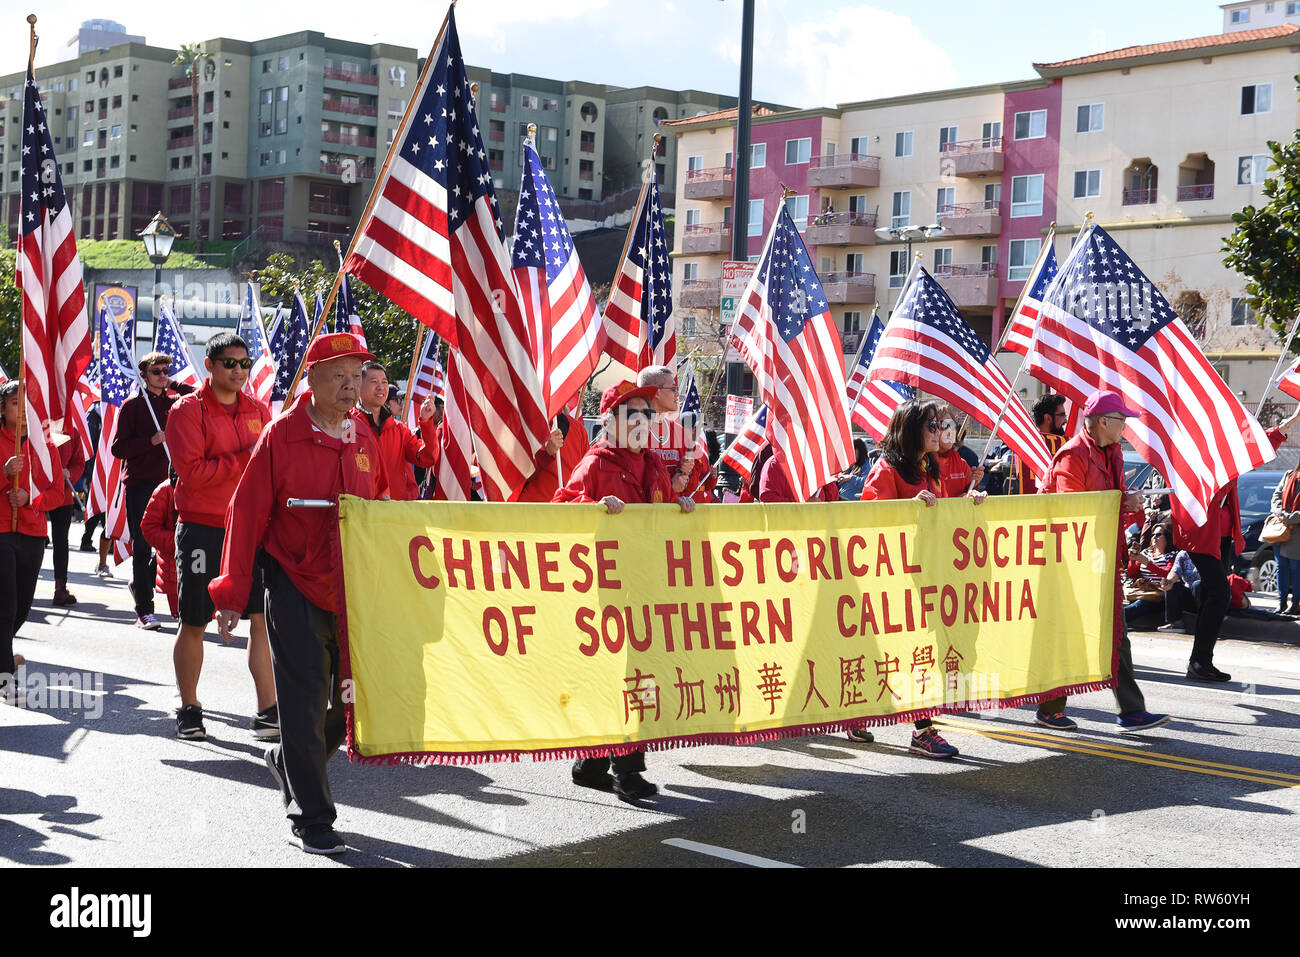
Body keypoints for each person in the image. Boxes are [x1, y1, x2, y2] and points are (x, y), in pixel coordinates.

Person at [212, 332, 389, 856]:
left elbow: (378, 507)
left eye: (357, 376)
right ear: (310, 378)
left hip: (349, 586)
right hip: (292, 582)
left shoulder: (363, 438)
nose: (350, 386)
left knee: (350, 699)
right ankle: (313, 817)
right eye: (339, 375)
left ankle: (289, 761)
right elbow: (244, 515)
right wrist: (230, 592)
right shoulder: (280, 435)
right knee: (305, 695)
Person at [555, 381, 696, 802]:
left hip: (646, 587)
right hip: (607, 591)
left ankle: (592, 763)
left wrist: (679, 506)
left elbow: (662, 513)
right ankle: (628, 770)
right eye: (632, 413)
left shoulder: (653, 463)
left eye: (647, 414)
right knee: (626, 676)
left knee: (635, 674)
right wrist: (596, 508)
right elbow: (562, 508)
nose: (643, 421)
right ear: (612, 421)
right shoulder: (595, 464)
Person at [854, 398, 987, 758]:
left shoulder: (929, 468)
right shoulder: (886, 469)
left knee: (916, 653)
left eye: (940, 424)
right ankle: (922, 731)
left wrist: (966, 501)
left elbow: (940, 516)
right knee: (909, 653)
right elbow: (872, 521)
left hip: (927, 574)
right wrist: (908, 508)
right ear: (912, 430)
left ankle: (865, 714)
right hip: (895, 580)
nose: (939, 430)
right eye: (931, 425)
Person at [1036, 389, 1170, 732]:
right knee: (1069, 635)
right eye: (1122, 420)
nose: (1126, 426)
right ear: (1104, 422)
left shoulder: (1112, 453)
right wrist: (1121, 501)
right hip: (1069, 560)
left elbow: (1112, 502)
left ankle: (1131, 711)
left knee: (1116, 633)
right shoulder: (1072, 454)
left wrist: (1128, 503)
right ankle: (1051, 708)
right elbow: (1071, 509)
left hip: (1100, 555)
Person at [165, 333, 276, 741]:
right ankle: (189, 707)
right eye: (230, 363)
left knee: (260, 620)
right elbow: (193, 473)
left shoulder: (259, 411)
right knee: (194, 620)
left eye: (245, 363)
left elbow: (270, 472)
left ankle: (267, 710)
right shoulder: (186, 411)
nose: (239, 371)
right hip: (202, 526)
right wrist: (245, 461)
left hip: (250, 530)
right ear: (209, 365)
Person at [1170, 409, 1293, 682]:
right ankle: (1200, 662)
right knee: (1219, 595)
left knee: (1213, 596)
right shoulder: (1197, 456)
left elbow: (1257, 449)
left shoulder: (1225, 455)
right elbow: (1209, 489)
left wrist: (1290, 422)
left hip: (1221, 538)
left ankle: (1200, 661)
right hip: (1201, 537)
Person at [109, 350, 195, 630]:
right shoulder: (132, 406)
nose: (162, 376)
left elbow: (201, 395)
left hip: (171, 482)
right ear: (143, 374)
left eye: (165, 371)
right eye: (156, 372)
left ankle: (146, 585)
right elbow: (119, 448)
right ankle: (144, 610)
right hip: (140, 483)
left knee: (172, 543)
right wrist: (151, 440)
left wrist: (173, 385)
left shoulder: (175, 402)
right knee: (143, 545)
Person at [1, 380, 55, 703]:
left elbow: (58, 493)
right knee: (5, 608)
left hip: (33, 533)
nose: (20, 411)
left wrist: (30, 497)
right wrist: (4, 472)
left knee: (20, 610)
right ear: (2, 409)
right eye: (13, 404)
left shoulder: (43, 444)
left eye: (25, 405)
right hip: (2, 532)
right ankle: (6, 679)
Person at [351, 361, 438, 502]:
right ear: (359, 386)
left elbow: (427, 458)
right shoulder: (347, 425)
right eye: (374, 381)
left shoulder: (399, 429)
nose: (381, 387)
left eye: (384, 382)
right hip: (362, 512)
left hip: (398, 513)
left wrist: (426, 422)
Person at [43, 432, 86, 607]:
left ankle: (60, 587)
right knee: (33, 539)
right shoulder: (36, 424)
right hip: (38, 490)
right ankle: (23, 587)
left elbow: (79, 461)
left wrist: (69, 473)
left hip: (63, 493)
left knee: (61, 540)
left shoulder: (72, 432)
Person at [637, 365, 694, 496]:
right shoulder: (632, 432)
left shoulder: (681, 432)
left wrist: (685, 474)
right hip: (643, 513)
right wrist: (669, 485)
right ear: (656, 392)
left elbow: (693, 481)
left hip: (674, 514)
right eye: (673, 388)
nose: (677, 394)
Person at [1123, 523, 1192, 631]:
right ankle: (1115, 620)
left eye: (1159, 534)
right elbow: (1132, 574)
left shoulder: (1173, 555)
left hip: (1163, 595)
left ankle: (1114, 621)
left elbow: (1168, 574)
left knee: (1137, 607)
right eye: (1153, 535)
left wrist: (1147, 563)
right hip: (1146, 592)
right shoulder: (1146, 552)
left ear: (1167, 537)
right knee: (1136, 606)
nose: (1154, 537)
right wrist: (1132, 560)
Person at [512, 410, 590, 503]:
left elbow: (587, 475)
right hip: (536, 510)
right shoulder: (526, 425)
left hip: (564, 508)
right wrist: (546, 452)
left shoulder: (578, 429)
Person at [140, 473, 180, 620]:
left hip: (204, 558)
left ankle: (145, 580)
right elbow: (149, 527)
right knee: (189, 623)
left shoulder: (211, 487)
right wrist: (178, 542)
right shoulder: (166, 489)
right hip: (175, 561)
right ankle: (143, 583)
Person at [1270, 464, 1300, 616]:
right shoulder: (1290, 474)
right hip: (1280, 530)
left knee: (1296, 568)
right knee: (1280, 567)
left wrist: (1289, 518)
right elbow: (1277, 494)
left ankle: (1296, 603)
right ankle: (1281, 601)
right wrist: (1277, 510)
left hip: (1297, 532)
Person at [936, 408, 983, 498]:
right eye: (944, 425)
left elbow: (971, 500)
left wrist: (973, 484)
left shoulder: (962, 464)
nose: (950, 431)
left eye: (953, 425)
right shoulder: (923, 462)